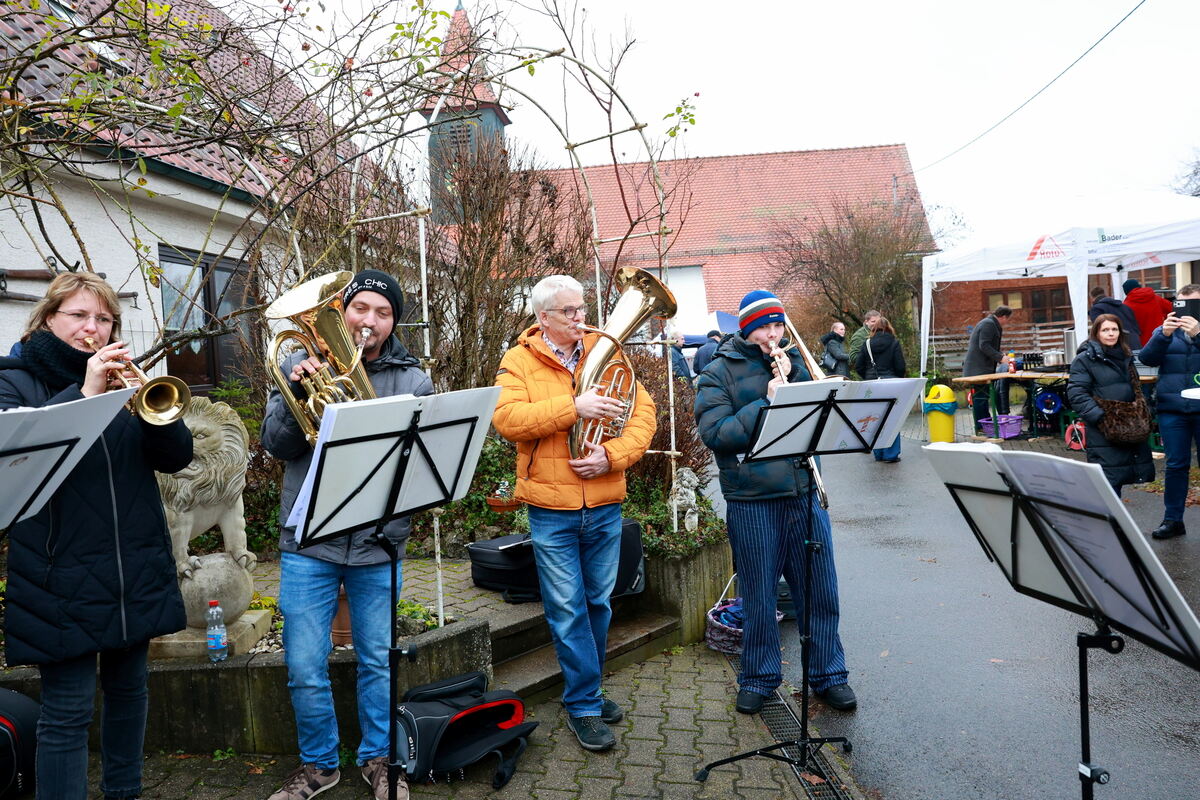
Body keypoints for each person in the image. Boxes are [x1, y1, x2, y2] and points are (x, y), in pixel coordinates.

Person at [0, 272, 192, 800]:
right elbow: (22, 459)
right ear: (47, 319)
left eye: (104, 319)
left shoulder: (125, 384)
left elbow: (176, 458)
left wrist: (148, 408)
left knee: (131, 693)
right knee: (68, 712)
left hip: (135, 565)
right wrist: (85, 392)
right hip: (59, 570)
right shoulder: (13, 380)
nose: (93, 328)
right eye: (79, 315)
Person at [262, 269, 433, 800]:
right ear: (341, 313)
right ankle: (318, 765)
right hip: (309, 541)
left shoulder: (412, 380)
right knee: (304, 664)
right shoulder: (297, 364)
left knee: (378, 661)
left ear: (392, 325)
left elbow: (421, 469)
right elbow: (277, 444)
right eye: (361, 309)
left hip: (378, 542)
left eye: (383, 314)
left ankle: (378, 760)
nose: (370, 321)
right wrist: (295, 390)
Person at [492, 274, 656, 752]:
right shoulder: (518, 361)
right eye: (568, 311)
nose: (581, 317)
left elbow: (642, 414)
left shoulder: (606, 351)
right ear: (542, 317)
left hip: (604, 502)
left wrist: (614, 455)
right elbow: (508, 420)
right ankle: (584, 703)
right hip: (551, 509)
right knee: (567, 610)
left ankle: (586, 688)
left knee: (599, 604)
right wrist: (573, 406)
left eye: (582, 308)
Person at [694, 290, 855, 715]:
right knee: (760, 595)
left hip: (803, 492)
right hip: (752, 500)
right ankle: (760, 677)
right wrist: (767, 400)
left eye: (778, 325)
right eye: (765, 326)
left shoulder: (794, 365)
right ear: (747, 330)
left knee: (819, 590)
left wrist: (797, 384)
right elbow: (717, 434)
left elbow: (823, 420)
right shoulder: (716, 373)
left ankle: (829, 675)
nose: (773, 334)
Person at [1134, 283, 1200, 539]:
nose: (1187, 311)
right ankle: (1173, 520)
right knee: (1175, 465)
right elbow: (1148, 359)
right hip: (1173, 409)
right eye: (1182, 304)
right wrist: (1162, 333)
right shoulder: (1166, 330)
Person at [1066, 314, 1154, 496]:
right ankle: (1109, 523)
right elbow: (1076, 394)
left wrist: (1145, 412)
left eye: (1114, 329)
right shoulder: (1084, 360)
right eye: (1105, 330)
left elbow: (1135, 388)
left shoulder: (1125, 356)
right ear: (1096, 333)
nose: (1111, 333)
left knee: (1120, 478)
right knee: (1108, 484)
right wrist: (1101, 418)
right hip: (1103, 432)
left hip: (1130, 426)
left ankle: (1117, 523)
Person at [856, 316, 906, 462]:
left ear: (873, 329)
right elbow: (900, 366)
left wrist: (867, 377)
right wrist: (897, 377)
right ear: (889, 328)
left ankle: (878, 454)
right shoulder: (894, 343)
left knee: (875, 419)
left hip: (872, 386)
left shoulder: (867, 344)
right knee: (892, 419)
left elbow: (859, 365)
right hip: (891, 384)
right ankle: (891, 454)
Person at [962, 305, 1014, 432]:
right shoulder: (989, 324)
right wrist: (1000, 358)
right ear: (1003, 317)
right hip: (977, 369)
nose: (1007, 323)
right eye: (1008, 319)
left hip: (981, 368)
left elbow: (988, 346)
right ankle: (982, 426)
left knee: (983, 396)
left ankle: (985, 424)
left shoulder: (990, 323)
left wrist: (1000, 356)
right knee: (980, 397)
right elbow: (984, 345)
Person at [1123, 278, 1171, 348]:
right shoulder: (1156, 298)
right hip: (1159, 338)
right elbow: (1172, 309)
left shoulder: (1126, 305)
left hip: (1139, 343)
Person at [847, 309, 880, 378]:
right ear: (866, 322)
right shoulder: (859, 336)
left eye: (878, 321)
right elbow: (853, 357)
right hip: (868, 374)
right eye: (873, 321)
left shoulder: (883, 332)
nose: (876, 324)